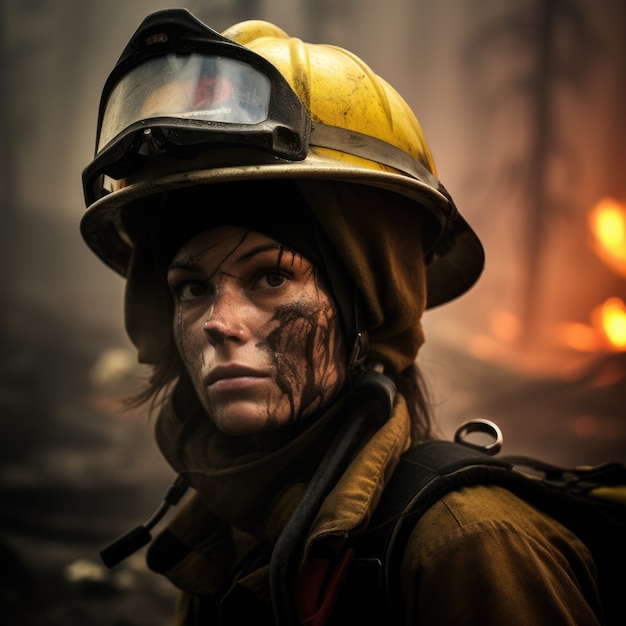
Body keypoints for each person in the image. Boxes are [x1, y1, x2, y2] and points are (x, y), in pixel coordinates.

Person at [80, 8, 602, 626]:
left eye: (271, 277)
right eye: (191, 289)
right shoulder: (219, 538)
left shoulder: (467, 545)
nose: (218, 322)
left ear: (369, 303)